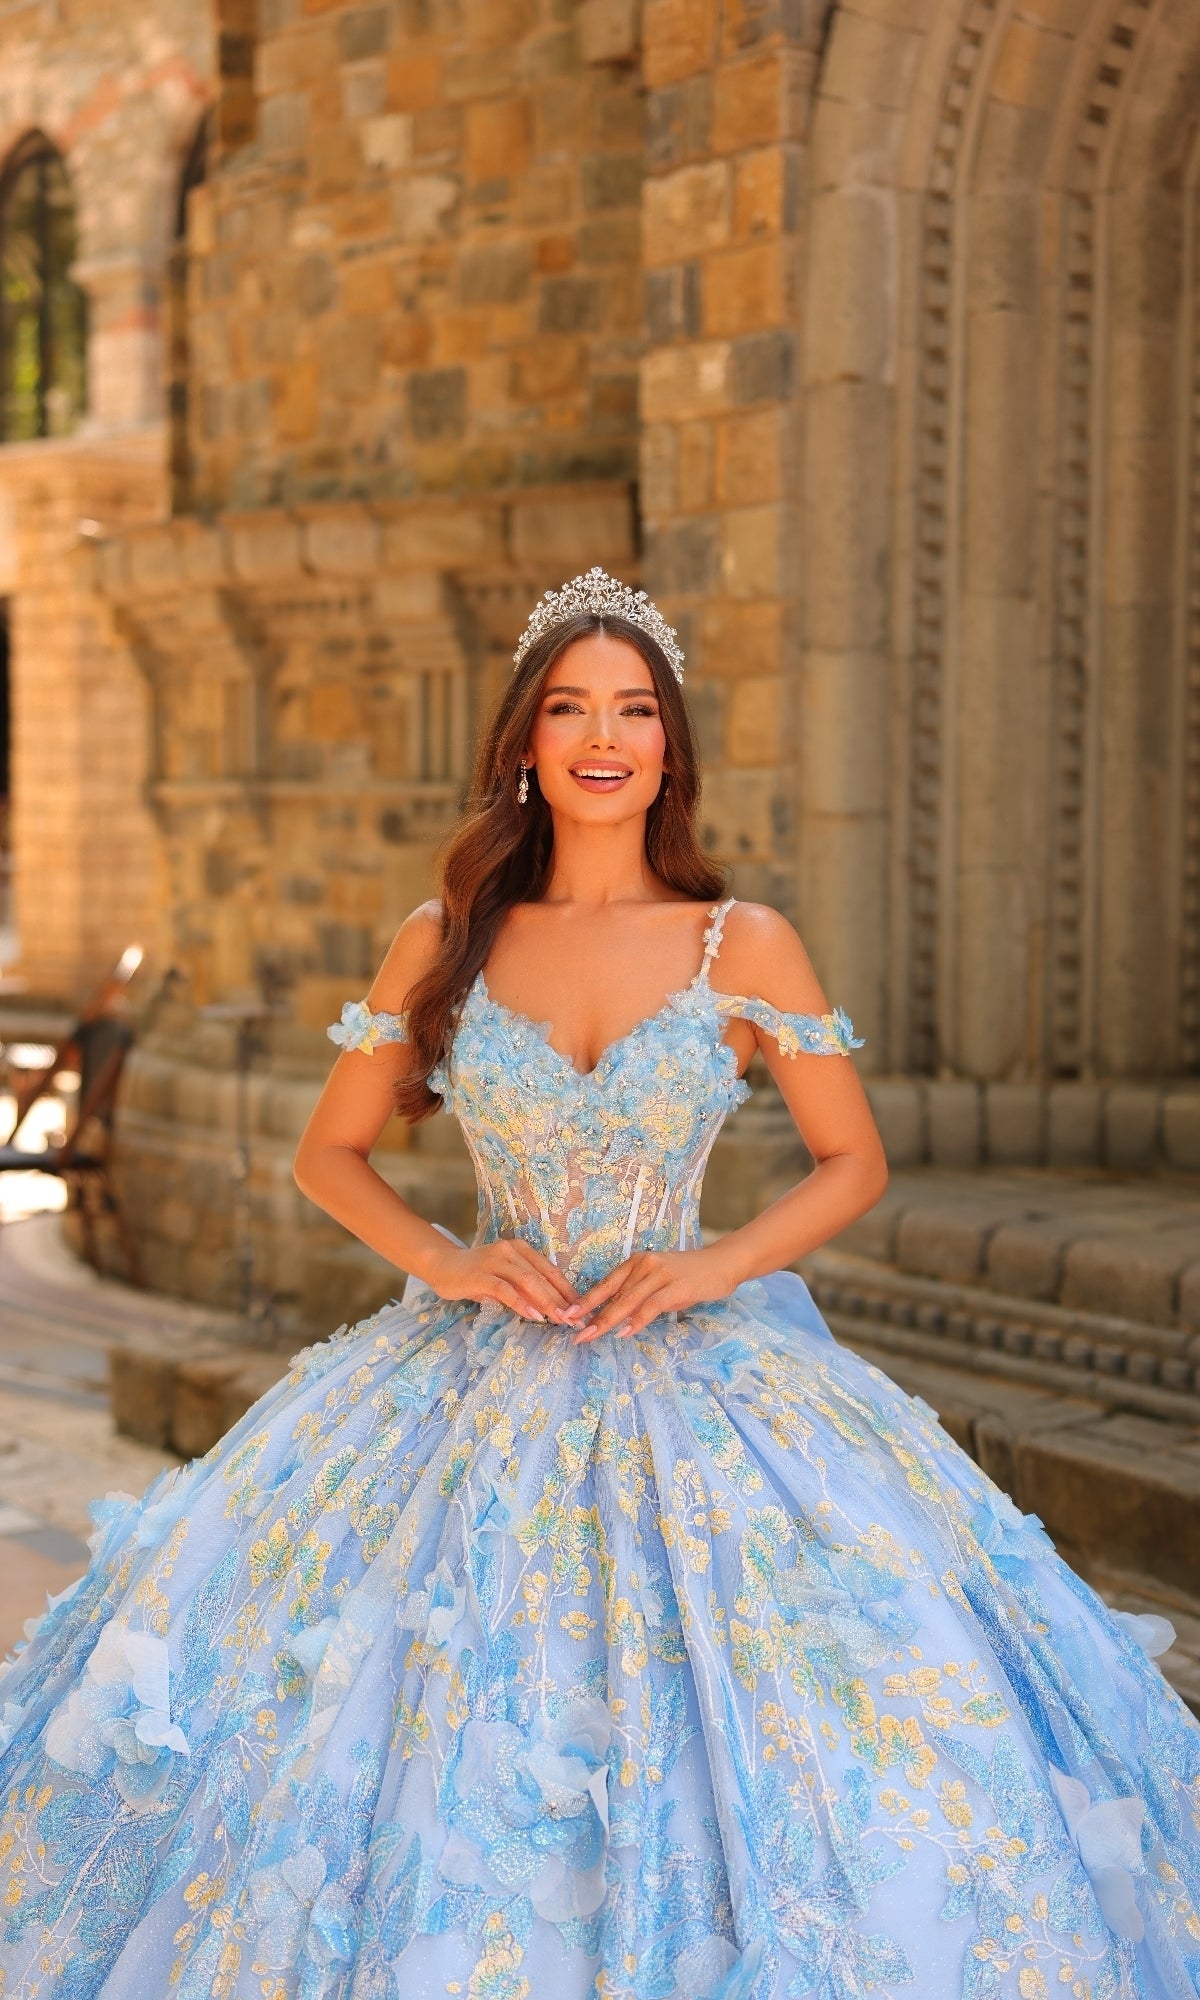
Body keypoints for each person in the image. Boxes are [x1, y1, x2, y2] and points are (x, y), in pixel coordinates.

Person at [0, 569, 1197, 2000]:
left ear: (671, 747)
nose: (602, 734)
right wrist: (447, 1258)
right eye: (570, 707)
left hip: (697, 1364)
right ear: (525, 739)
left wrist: (710, 1266)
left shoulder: (737, 942)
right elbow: (330, 1154)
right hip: (465, 1368)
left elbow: (849, 1160)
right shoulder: (445, 938)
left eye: (634, 708)